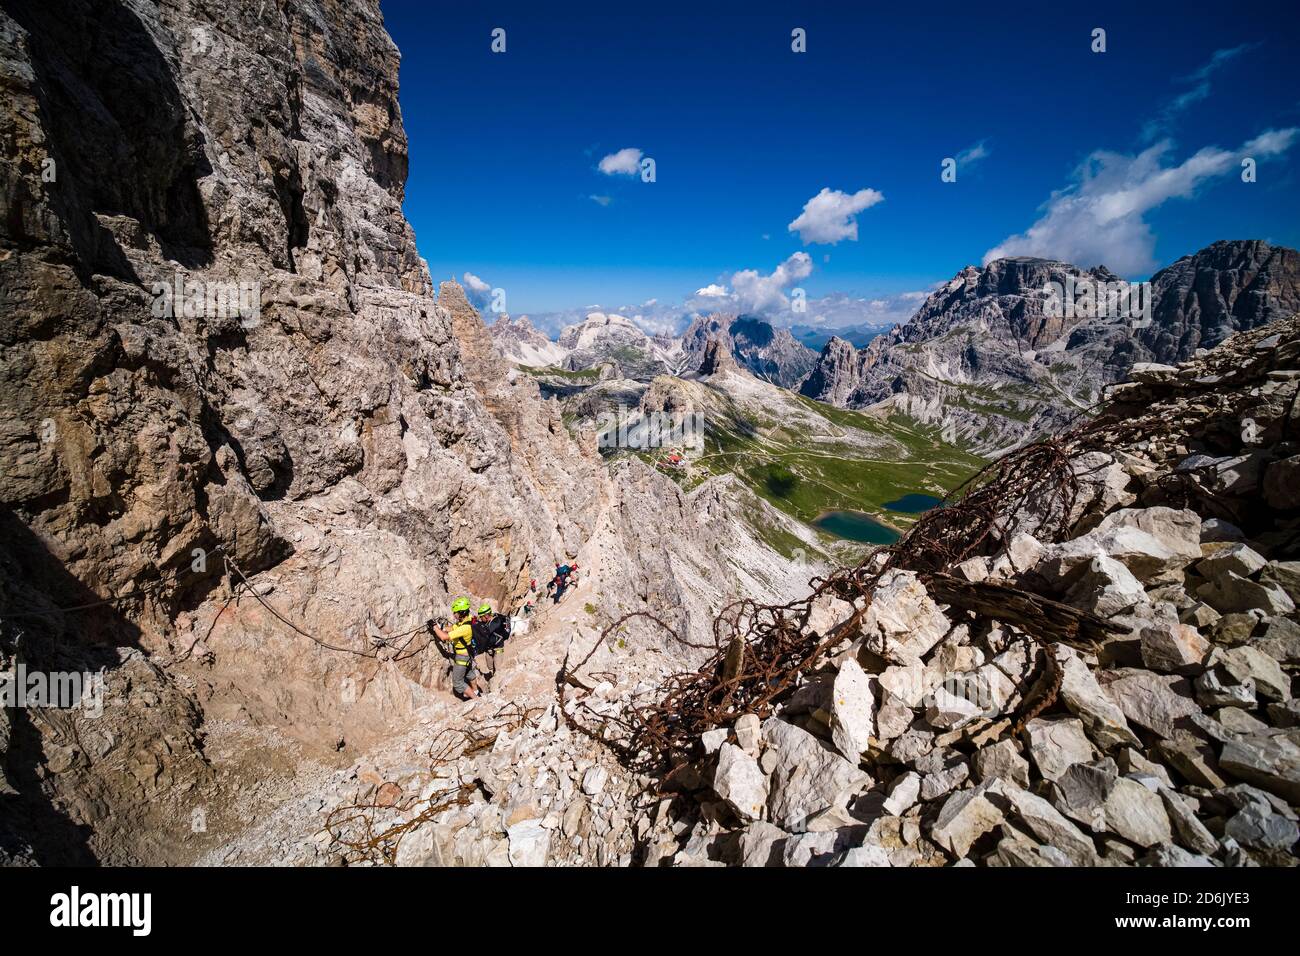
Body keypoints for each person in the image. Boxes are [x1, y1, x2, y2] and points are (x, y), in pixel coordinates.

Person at [430, 597, 487, 700]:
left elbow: (444, 637)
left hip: (462, 658)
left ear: (461, 612)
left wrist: (434, 627)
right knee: (470, 674)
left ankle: (476, 700)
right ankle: (476, 692)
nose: (454, 614)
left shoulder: (465, 628)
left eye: (455, 612)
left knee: (458, 683)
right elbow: (452, 629)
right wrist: (441, 627)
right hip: (468, 656)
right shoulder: (466, 621)